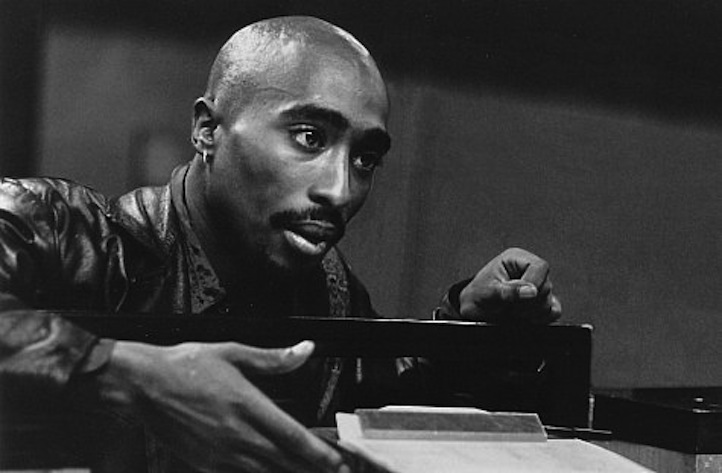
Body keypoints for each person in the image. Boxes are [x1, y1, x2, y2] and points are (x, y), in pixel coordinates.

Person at [0, 16, 561, 473]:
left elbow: (388, 393)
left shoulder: (329, 289)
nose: (339, 191)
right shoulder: (57, 226)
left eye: (364, 158)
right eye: (309, 137)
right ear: (207, 129)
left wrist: (468, 327)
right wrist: (121, 372)